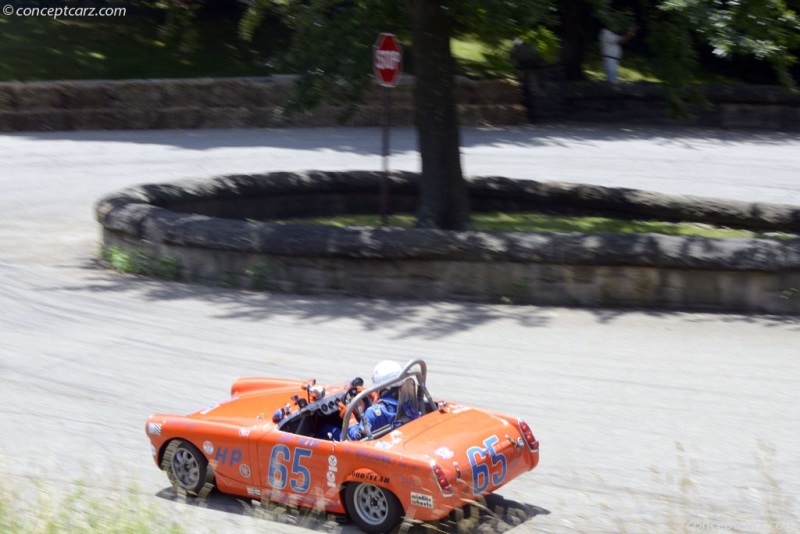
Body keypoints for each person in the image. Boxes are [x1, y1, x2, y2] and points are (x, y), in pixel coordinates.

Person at [346, 360, 404, 440]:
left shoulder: (372, 413)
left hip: (372, 446)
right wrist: (373, 396)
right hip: (396, 437)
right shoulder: (411, 403)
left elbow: (358, 438)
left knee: (327, 428)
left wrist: (351, 419)